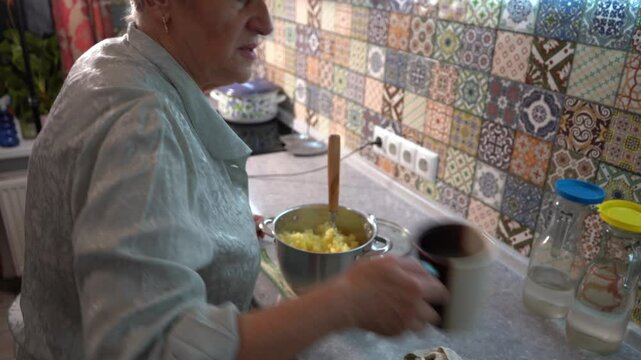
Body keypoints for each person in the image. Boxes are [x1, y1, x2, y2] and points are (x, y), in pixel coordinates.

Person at [18, 0, 448, 359]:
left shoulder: (111, 59)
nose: (266, 22)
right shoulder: (141, 120)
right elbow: (146, 348)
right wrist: (345, 302)